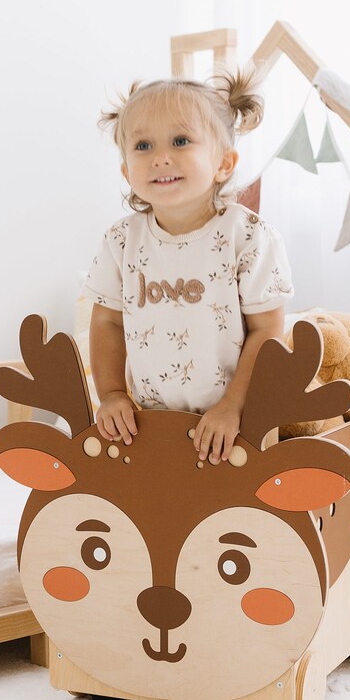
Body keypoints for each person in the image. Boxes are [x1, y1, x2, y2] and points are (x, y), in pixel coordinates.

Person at [82, 68, 294, 464]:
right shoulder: (121, 241)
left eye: (180, 141)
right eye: (143, 145)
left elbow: (267, 331)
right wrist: (111, 394)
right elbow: (107, 322)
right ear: (127, 171)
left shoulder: (247, 236)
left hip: (236, 424)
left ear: (223, 164)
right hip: (148, 424)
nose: (160, 157)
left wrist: (234, 405)